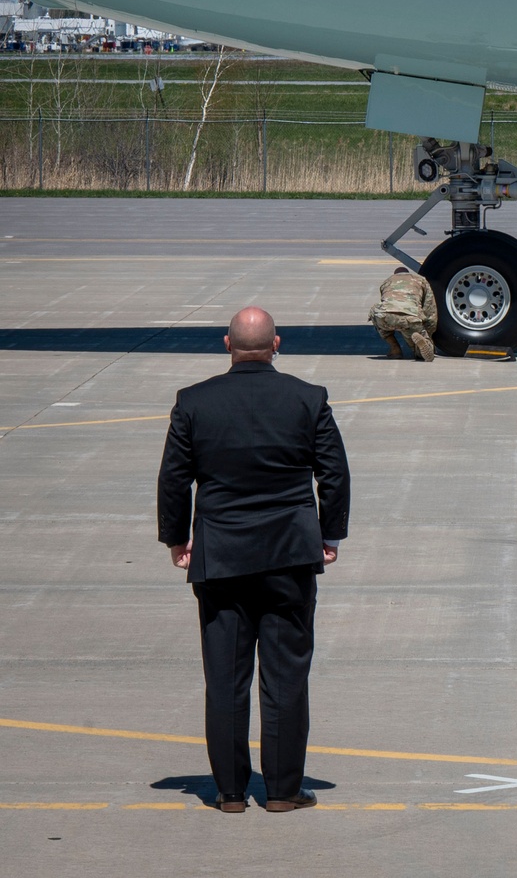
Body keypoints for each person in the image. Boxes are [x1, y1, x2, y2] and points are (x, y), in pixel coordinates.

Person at [157, 306, 350, 814]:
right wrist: (329, 533)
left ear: (227, 344)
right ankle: (284, 791)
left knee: (225, 678)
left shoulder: (193, 403)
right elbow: (334, 473)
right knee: (285, 676)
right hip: (289, 555)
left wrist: (177, 539)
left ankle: (230, 793)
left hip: (220, 556)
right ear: (276, 344)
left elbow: (174, 479)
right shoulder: (308, 399)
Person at [369, 266, 438, 361]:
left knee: (374, 311)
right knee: (418, 347)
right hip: (410, 317)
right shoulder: (421, 280)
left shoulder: (387, 281)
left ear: (395, 275)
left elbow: (385, 302)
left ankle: (395, 348)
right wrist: (428, 332)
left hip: (385, 317)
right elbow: (430, 310)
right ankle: (422, 348)